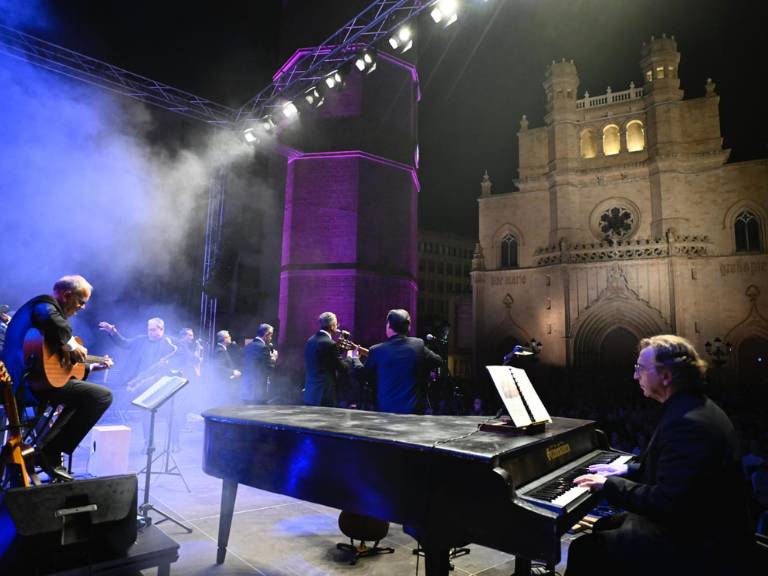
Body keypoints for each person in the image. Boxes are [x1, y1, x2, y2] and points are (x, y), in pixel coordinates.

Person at [566, 334, 755, 576]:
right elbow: (676, 474)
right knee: (605, 524)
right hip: (695, 526)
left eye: (640, 369)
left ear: (666, 376)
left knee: (585, 549)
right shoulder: (690, 406)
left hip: (701, 547)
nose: (635, 376)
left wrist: (608, 485)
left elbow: (667, 503)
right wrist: (625, 470)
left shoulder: (688, 422)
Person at [2, 275, 112, 481]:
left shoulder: (46, 326)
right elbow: (49, 316)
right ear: (66, 295)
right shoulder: (43, 305)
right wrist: (72, 345)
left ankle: (48, 450)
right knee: (100, 397)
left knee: (83, 394)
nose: (82, 307)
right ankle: (49, 451)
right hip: (19, 385)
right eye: (81, 301)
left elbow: (53, 366)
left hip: (31, 383)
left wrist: (90, 366)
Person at [98, 317, 177, 448]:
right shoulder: (141, 340)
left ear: (161, 330)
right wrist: (113, 331)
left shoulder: (168, 345)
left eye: (153, 330)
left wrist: (167, 365)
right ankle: (142, 443)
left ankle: (163, 443)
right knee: (137, 410)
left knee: (154, 413)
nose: (150, 333)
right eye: (149, 330)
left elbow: (177, 359)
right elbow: (124, 343)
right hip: (136, 382)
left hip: (155, 383)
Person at [354, 309, 442, 414]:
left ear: (388, 326)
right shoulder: (418, 345)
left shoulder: (376, 350)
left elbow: (362, 375)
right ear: (408, 327)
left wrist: (355, 358)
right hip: (413, 413)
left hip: (385, 411)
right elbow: (438, 361)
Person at [303, 312, 350, 407]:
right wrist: (351, 357)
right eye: (337, 325)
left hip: (310, 393)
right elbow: (343, 368)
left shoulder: (310, 341)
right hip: (325, 396)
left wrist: (338, 349)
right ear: (332, 327)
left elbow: (325, 359)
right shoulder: (330, 344)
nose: (337, 327)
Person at [241, 323, 277, 405]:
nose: (271, 338)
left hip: (246, 390)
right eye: (271, 335)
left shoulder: (248, 347)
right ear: (266, 334)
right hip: (258, 392)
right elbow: (268, 369)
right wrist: (274, 358)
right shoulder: (263, 348)